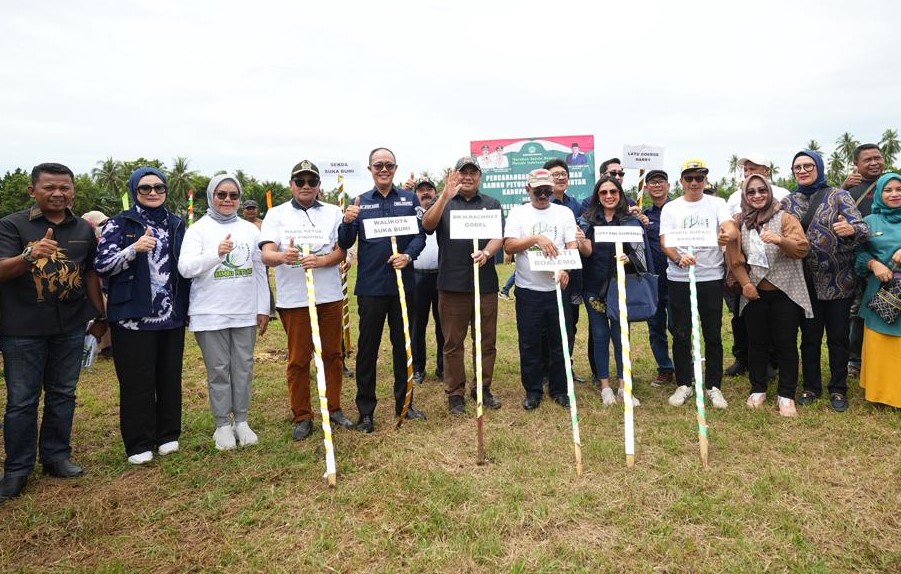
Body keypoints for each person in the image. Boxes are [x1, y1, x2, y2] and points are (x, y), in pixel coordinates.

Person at [0, 163, 106, 502]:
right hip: (23, 329)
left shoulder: (84, 229)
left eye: (64, 187)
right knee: (22, 400)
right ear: (33, 190)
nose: (58, 193)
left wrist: (100, 315)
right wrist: (29, 255)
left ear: (73, 191)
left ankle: (56, 456)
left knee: (63, 393)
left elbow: (89, 274)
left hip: (69, 326)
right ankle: (17, 469)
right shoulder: (12, 225)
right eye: (49, 187)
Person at [95, 166, 190, 464]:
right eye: (145, 188)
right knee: (137, 381)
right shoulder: (120, 223)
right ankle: (139, 442)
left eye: (158, 187)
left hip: (171, 315)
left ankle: (168, 435)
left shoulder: (177, 223)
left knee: (169, 377)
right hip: (132, 317)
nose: (152, 192)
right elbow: (102, 265)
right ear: (135, 190)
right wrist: (133, 249)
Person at [259, 160, 355, 439]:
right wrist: (282, 256)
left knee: (333, 355)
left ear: (318, 186)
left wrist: (322, 261)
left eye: (311, 182)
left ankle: (334, 408)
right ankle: (302, 415)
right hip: (294, 300)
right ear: (291, 185)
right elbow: (266, 254)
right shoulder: (276, 214)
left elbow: (341, 251)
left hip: (329, 296)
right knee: (299, 359)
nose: (306, 186)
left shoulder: (333, 212)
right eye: (300, 181)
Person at [178, 175, 270, 450]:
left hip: (244, 311)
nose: (228, 200)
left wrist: (263, 307)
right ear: (211, 196)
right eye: (221, 194)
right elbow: (185, 268)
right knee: (218, 370)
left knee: (243, 367)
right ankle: (222, 425)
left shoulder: (250, 230)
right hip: (209, 313)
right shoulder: (197, 229)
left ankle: (241, 420)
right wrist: (217, 254)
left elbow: (259, 270)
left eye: (233, 195)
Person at [338, 148, 426, 432]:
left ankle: (405, 404)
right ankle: (366, 412)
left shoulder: (409, 199)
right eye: (378, 165)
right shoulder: (360, 202)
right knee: (368, 349)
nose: (384, 169)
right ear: (370, 169)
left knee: (404, 346)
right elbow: (345, 242)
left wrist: (408, 256)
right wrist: (347, 221)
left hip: (403, 286)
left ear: (396, 168)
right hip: (371, 288)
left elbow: (420, 236)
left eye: (389, 165)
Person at [783, 150, 868, 412]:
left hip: (838, 280)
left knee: (838, 337)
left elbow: (863, 229)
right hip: (804, 282)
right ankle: (811, 386)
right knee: (809, 337)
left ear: (819, 167)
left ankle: (838, 387)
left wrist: (851, 229)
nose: (803, 171)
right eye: (797, 167)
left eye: (808, 165)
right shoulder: (788, 202)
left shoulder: (838, 196)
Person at [724, 175, 812, 417]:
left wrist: (780, 240)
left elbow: (801, 248)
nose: (757, 195)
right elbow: (733, 257)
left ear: (770, 191)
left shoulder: (785, 218)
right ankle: (758, 388)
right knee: (757, 342)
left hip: (786, 292)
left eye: (762, 190)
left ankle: (786, 394)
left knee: (786, 343)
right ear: (745, 196)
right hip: (754, 293)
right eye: (751, 192)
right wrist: (745, 284)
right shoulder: (740, 221)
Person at [421, 157, 504, 415]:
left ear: (479, 176)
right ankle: (455, 393)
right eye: (463, 172)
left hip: (485, 283)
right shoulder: (443, 200)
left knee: (486, 340)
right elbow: (428, 225)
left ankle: (482, 388)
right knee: (453, 342)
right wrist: (445, 196)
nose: (468, 177)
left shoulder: (491, 203)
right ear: (455, 175)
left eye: (473, 172)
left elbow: (498, 237)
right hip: (452, 284)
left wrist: (487, 253)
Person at [504, 169, 583, 410]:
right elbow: (509, 246)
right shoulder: (518, 213)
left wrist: (566, 268)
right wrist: (536, 238)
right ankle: (533, 390)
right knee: (530, 342)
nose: (542, 196)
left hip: (557, 287)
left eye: (547, 191)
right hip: (528, 289)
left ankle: (559, 389)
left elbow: (571, 244)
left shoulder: (564, 213)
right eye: (538, 191)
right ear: (528, 189)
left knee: (561, 340)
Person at [661, 159, 735, 410]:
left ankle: (713, 386)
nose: (694, 183)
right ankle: (684, 383)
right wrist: (678, 258)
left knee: (712, 333)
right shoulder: (671, 208)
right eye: (689, 178)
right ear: (681, 181)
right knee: (681, 332)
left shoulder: (717, 203)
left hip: (710, 277)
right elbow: (665, 242)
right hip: (680, 278)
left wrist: (727, 234)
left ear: (705, 180)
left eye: (699, 178)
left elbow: (729, 227)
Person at [578, 175, 647, 406]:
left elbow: (641, 255)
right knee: (599, 335)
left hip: (622, 287)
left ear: (620, 194)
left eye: (613, 192)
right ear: (597, 196)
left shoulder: (630, 221)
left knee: (621, 336)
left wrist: (630, 258)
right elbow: (587, 253)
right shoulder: (588, 221)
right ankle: (605, 386)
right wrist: (581, 242)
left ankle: (624, 386)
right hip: (594, 287)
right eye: (604, 192)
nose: (609, 196)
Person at [723, 154, 791, 377]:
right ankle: (742, 357)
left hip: (773, 266)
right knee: (740, 315)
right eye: (746, 169)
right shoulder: (735, 196)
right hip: (742, 264)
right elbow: (729, 226)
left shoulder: (782, 194)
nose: (748, 172)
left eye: (754, 168)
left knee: (769, 318)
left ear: (767, 171)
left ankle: (770, 361)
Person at [854, 172, 901, 408]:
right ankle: (882, 392)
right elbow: (858, 253)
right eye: (888, 190)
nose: (894, 194)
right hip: (881, 291)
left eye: (899, 189)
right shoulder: (869, 221)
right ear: (879, 194)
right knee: (881, 341)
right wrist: (873, 264)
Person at [843, 144, 886, 378]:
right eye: (867, 160)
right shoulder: (850, 191)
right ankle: (855, 359)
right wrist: (843, 187)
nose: (873, 163)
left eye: (877, 158)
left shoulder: (892, 185)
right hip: (858, 259)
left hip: (891, 258)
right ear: (856, 165)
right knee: (858, 311)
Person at [544, 158, 586, 383]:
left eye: (563, 174)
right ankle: (545, 370)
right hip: (544, 275)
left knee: (570, 324)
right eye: (555, 174)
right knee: (546, 326)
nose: (560, 177)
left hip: (571, 276)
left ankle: (565, 367)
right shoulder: (539, 204)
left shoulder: (576, 205)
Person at [641, 169, 675, 386]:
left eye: (661, 181)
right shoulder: (644, 215)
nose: (656, 185)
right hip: (653, 281)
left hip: (677, 278)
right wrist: (638, 222)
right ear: (646, 188)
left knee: (678, 326)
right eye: (652, 182)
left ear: (668, 186)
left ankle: (685, 365)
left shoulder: (679, 210)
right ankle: (665, 368)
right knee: (655, 327)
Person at [410, 176, 444, 384]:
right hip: (417, 276)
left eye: (429, 189)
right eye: (421, 190)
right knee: (417, 325)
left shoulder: (442, 211)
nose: (425, 193)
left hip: (441, 276)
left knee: (444, 325)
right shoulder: (409, 214)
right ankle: (418, 368)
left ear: (435, 192)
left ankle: (443, 367)